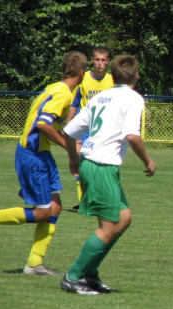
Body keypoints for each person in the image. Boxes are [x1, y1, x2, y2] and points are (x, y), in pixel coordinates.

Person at [0, 51, 87, 276]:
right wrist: (69, 147)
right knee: (43, 213)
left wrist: (70, 148)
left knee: (55, 208)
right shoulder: (63, 94)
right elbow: (43, 124)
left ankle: (34, 264)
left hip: (41, 154)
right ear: (81, 73)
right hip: (32, 156)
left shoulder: (54, 87)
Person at [60, 54, 156, 295]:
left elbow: (69, 132)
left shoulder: (101, 96)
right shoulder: (134, 99)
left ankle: (90, 274)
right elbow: (132, 135)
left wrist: (74, 159)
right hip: (102, 165)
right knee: (109, 227)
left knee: (123, 218)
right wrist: (148, 160)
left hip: (93, 162)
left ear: (112, 76)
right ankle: (73, 277)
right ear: (137, 76)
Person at [67, 47, 114, 210]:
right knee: (82, 163)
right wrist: (69, 126)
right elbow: (74, 104)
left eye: (103, 60)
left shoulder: (112, 81)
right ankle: (84, 201)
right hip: (85, 129)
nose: (100, 63)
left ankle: (99, 199)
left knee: (101, 165)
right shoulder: (83, 78)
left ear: (108, 62)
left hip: (105, 130)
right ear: (91, 60)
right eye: (97, 60)